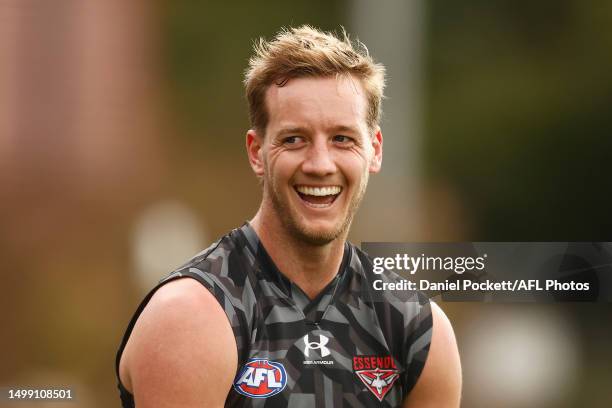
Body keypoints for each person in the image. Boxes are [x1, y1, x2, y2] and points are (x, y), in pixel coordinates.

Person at [115, 25, 461, 407]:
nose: (319, 164)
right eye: (294, 139)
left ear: (374, 150)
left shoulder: (415, 330)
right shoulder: (191, 317)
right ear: (256, 151)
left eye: (342, 138)